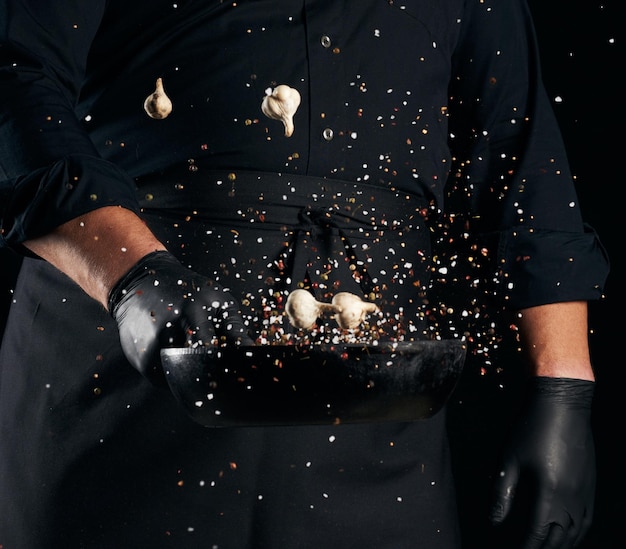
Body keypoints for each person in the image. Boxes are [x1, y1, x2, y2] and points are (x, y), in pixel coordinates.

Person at [0, 1, 609, 548]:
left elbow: (518, 153)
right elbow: (16, 77)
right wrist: (132, 275)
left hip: (375, 407)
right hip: (118, 346)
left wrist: (563, 386)